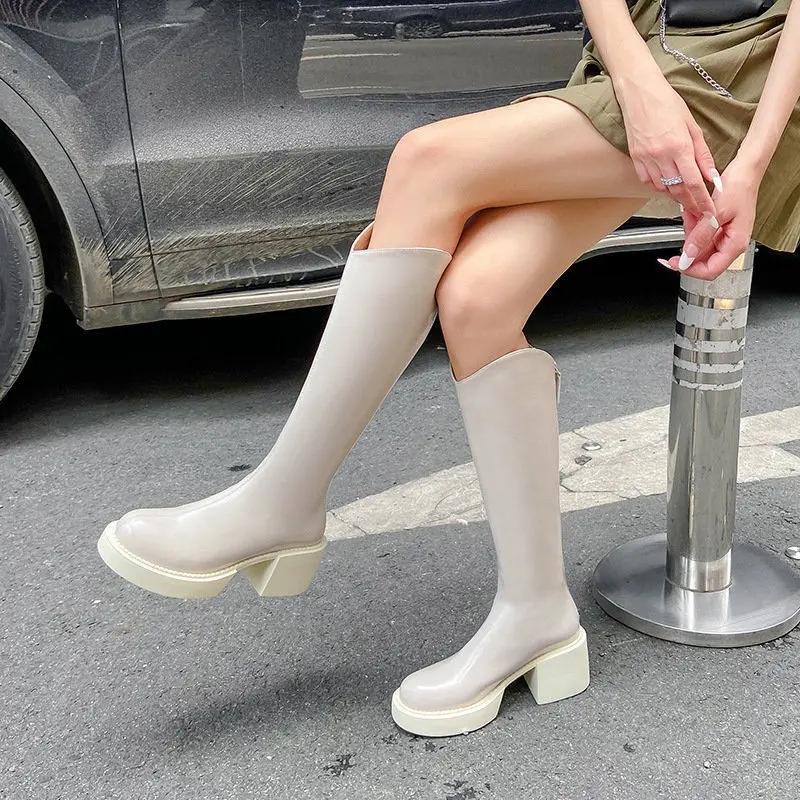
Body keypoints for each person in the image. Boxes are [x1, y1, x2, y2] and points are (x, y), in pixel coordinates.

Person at [96, 0, 800, 737]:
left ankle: (282, 501)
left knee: (427, 161)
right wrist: (635, 79)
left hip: (745, 77)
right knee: (477, 299)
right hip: (640, 63)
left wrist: (751, 167)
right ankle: (537, 615)